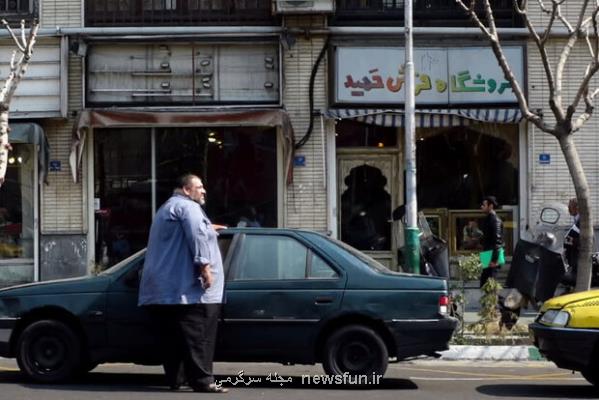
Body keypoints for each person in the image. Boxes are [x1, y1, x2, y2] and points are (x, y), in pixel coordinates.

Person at [138, 174, 228, 393]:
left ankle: (177, 379)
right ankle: (203, 381)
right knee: (199, 338)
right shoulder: (189, 208)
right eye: (200, 187)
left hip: (165, 290)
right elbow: (196, 234)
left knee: (173, 340)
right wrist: (205, 269)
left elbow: (195, 231)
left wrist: (210, 228)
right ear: (187, 190)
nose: (204, 190)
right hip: (189, 291)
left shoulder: (168, 208)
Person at [480, 195, 504, 288]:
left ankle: (496, 301)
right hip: (487, 254)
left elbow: (497, 241)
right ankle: (492, 301)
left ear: (491, 206)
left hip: (493, 255)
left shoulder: (495, 221)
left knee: (490, 282)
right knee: (484, 283)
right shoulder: (488, 219)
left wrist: (494, 260)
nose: (482, 207)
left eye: (484, 205)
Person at [564, 197, 581, 277]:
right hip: (573, 254)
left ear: (577, 208)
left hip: (578, 255)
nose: (568, 209)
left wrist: (569, 240)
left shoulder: (582, 220)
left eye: (570, 206)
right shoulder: (576, 218)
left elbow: (583, 240)